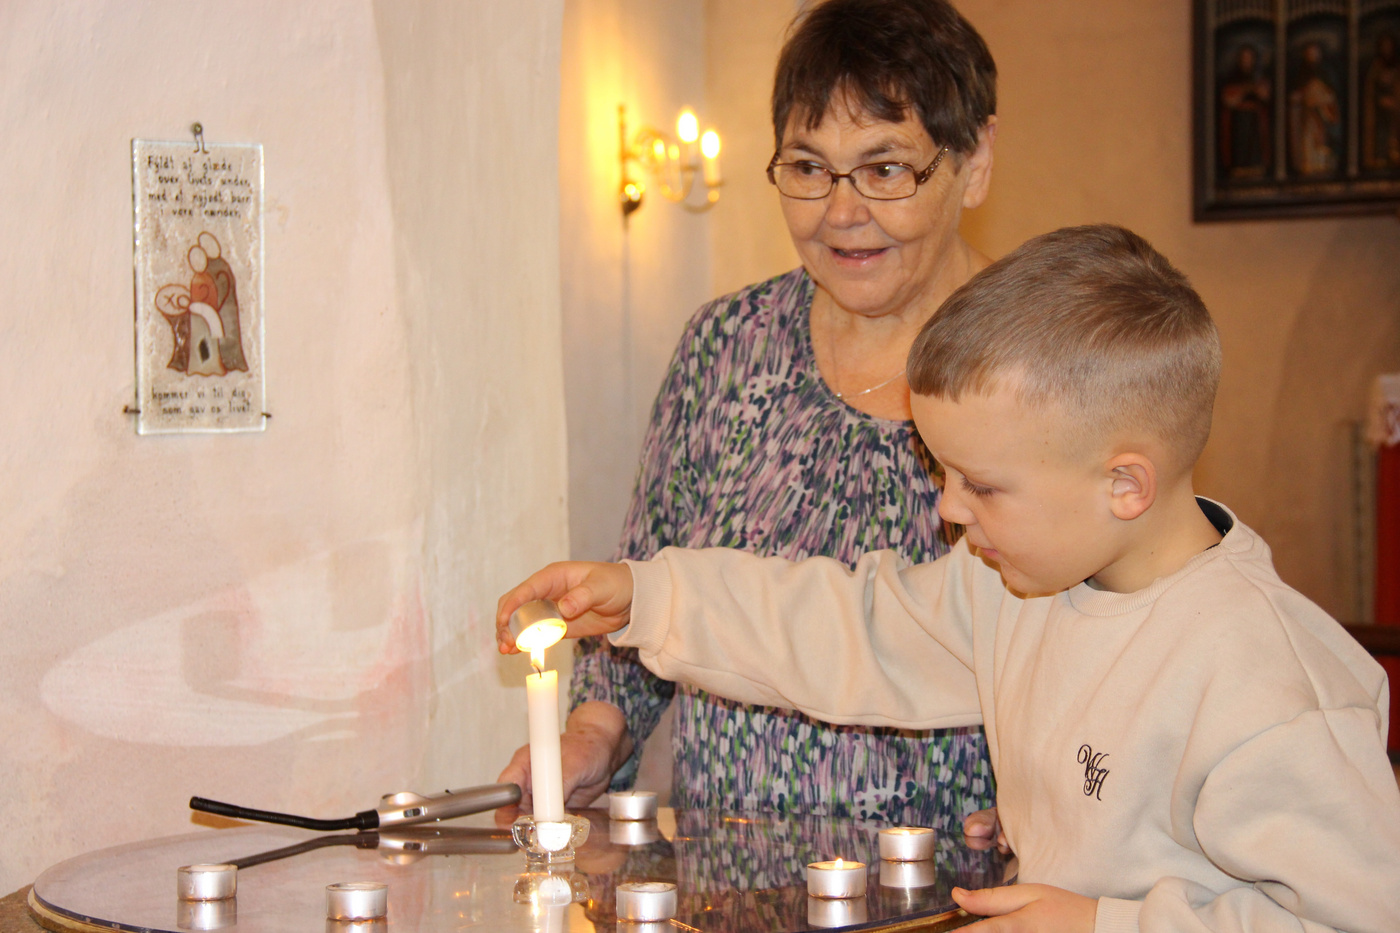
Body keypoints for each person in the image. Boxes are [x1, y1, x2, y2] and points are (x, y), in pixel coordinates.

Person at [498, 225, 1400, 932]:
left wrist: (1102, 922)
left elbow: (1361, 917)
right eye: (943, 474)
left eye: (982, 484)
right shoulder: (1012, 584)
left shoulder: (1270, 687)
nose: (949, 512)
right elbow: (856, 628)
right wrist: (652, 594)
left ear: (1124, 484)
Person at [497, 0, 999, 829]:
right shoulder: (727, 347)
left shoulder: (1037, 365)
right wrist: (592, 732)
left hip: (955, 885)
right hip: (725, 879)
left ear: (974, 160)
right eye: (807, 167)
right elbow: (645, 572)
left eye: (885, 169)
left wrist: (1062, 810)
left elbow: (1099, 641)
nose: (841, 212)